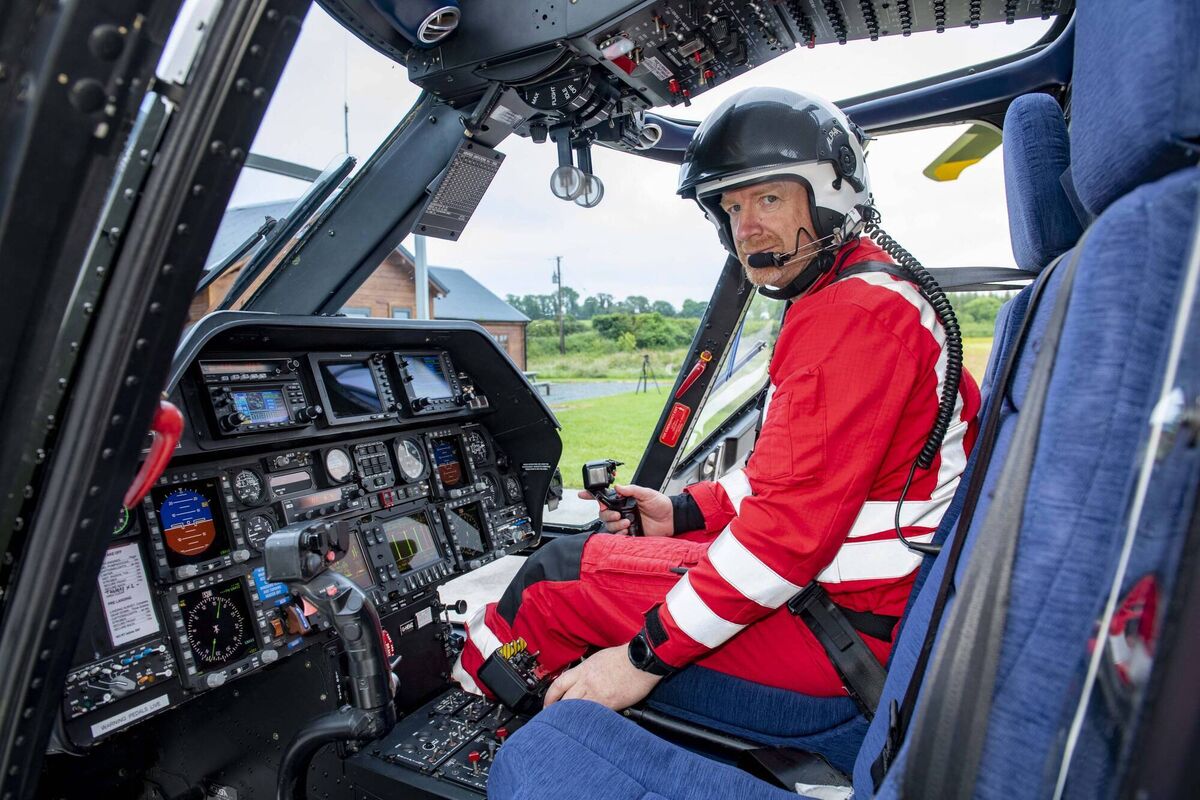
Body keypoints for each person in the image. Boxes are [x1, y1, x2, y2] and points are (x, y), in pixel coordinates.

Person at [451, 87, 981, 712]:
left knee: (555, 575)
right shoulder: (860, 293)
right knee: (596, 559)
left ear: (833, 195)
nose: (746, 226)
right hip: (862, 597)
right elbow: (786, 481)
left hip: (849, 627)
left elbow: (782, 538)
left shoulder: (851, 315)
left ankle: (466, 733)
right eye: (730, 208)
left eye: (768, 198)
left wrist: (640, 657)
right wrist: (681, 514)